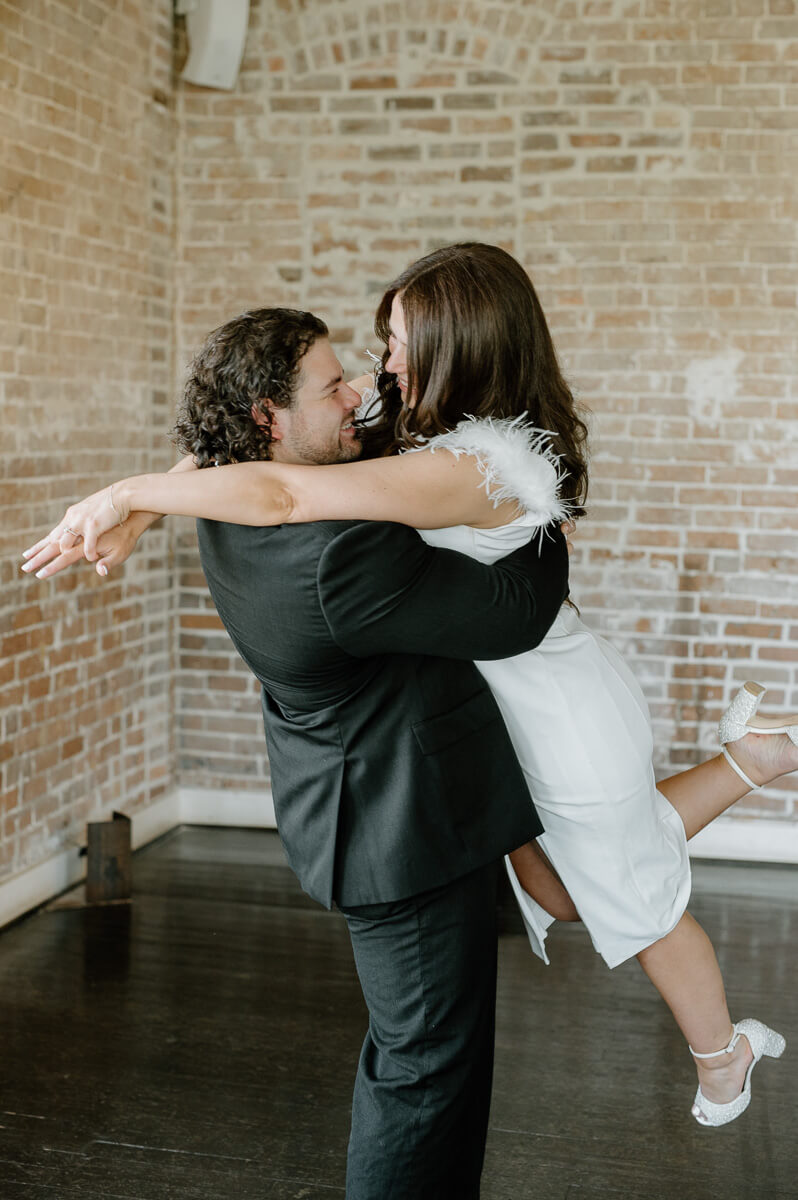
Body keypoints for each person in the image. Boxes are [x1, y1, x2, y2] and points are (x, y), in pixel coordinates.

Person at [24, 246, 795, 1134]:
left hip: (558, 702)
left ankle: (719, 1051)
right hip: (511, 700)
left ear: (457, 346)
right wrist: (155, 507)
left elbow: (282, 491)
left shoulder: (474, 467)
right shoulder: (434, 425)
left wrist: (120, 494)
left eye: (395, 344)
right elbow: (255, 448)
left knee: (638, 892)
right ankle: (756, 758)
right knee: (555, 886)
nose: (376, 369)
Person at [25, 304, 571, 1199]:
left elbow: (221, 466)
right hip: (403, 828)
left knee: (419, 1052)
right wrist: (544, 512)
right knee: (425, 1071)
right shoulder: (337, 556)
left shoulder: (229, 496)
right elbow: (514, 615)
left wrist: (145, 497)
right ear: (267, 420)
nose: (359, 393)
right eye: (332, 387)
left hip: (356, 798)